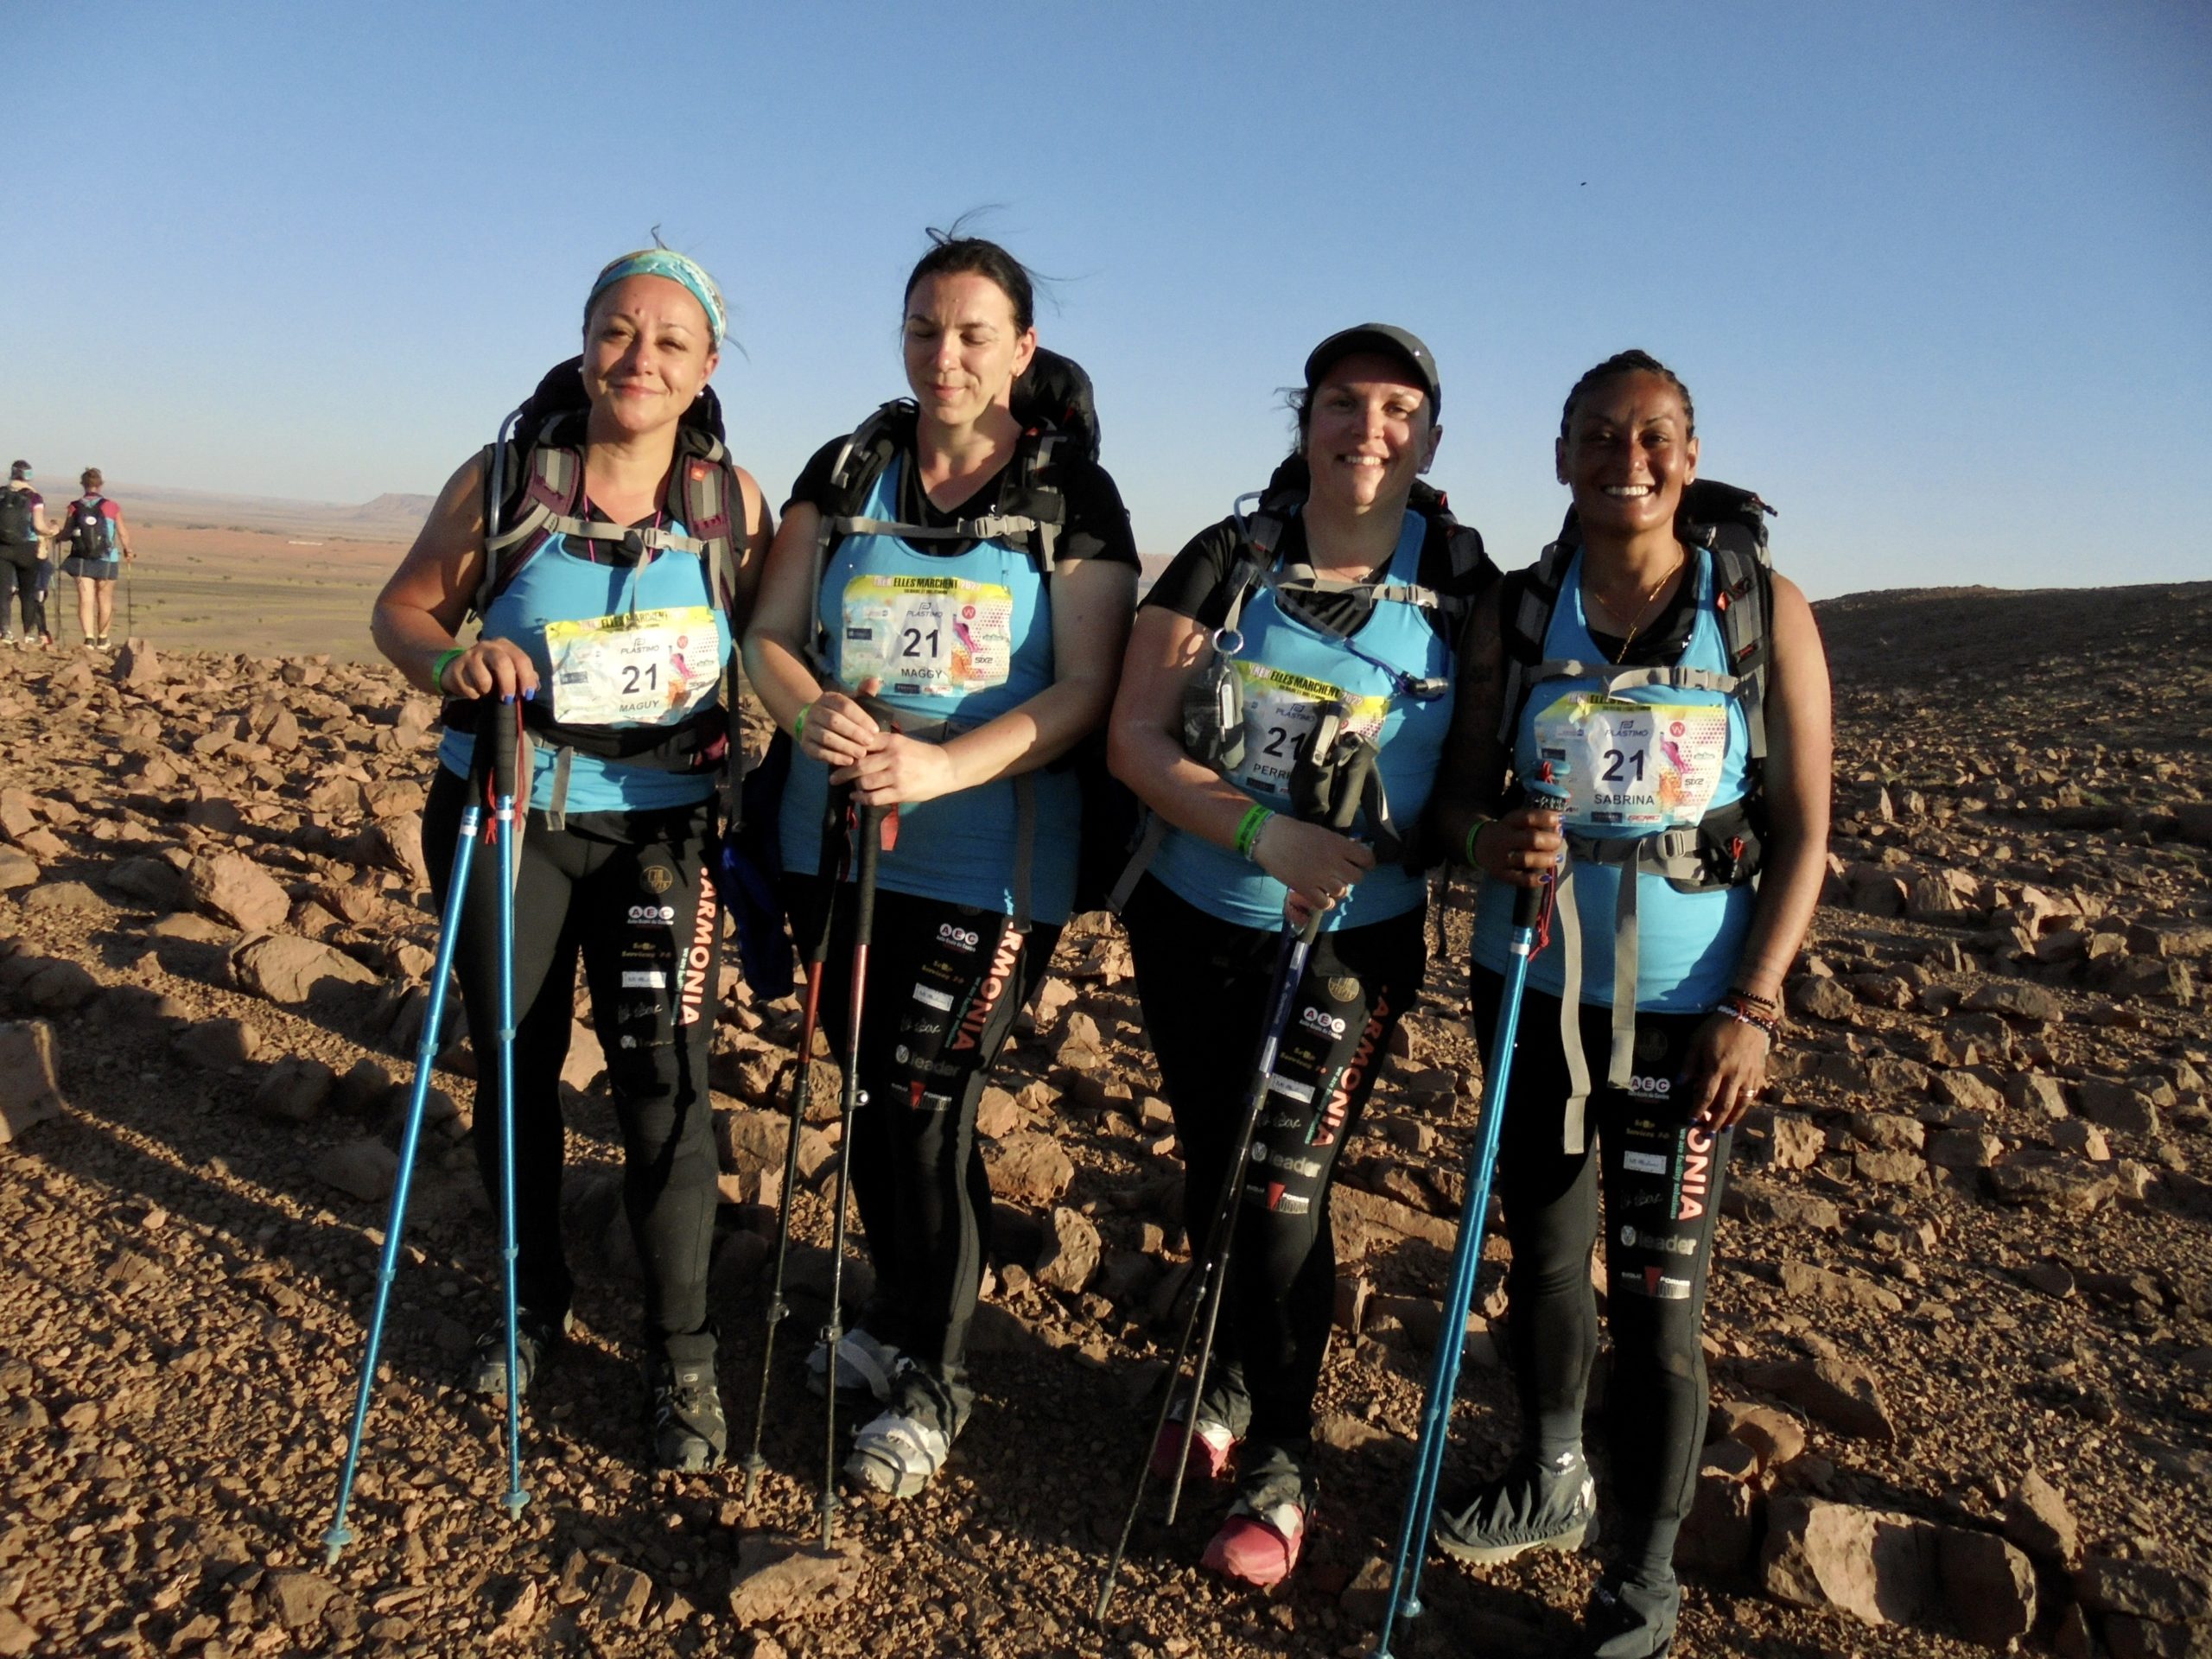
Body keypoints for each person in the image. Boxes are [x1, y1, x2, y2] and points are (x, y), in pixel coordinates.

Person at [1427, 350, 1832, 1658]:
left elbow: (1805, 831)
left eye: (1652, 436)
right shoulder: (1516, 608)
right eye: (1597, 436)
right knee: (1543, 1256)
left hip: (1689, 1009)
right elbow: (1450, 806)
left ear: (1690, 457)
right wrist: (1492, 846)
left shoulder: (1761, 609)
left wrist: (1756, 1008)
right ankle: (1552, 1474)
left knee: (1660, 1299)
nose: (1626, 459)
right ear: (1561, 459)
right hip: (1531, 985)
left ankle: (1640, 1578)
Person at [741, 231, 1138, 1499]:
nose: (945, 354)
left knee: (921, 1101)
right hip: (837, 843)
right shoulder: (849, 466)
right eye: (924, 329)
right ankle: (896, 1321)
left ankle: (935, 1376)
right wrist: (811, 719)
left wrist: (947, 768)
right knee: (882, 1101)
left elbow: (1087, 691)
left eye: (973, 333)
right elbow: (770, 633)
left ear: (1023, 349)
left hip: (990, 863)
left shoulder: (1076, 498)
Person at [370, 247, 770, 1471]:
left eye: (668, 341)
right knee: (517, 1065)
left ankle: (681, 1358)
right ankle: (526, 1306)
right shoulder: (507, 481)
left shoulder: (732, 507)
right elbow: (405, 610)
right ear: (587, 340)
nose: (638, 358)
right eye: (617, 331)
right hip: (510, 813)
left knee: (665, 1088)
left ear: (706, 368)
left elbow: (778, 649)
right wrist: (456, 666)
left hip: (662, 832)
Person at [1106, 325, 1494, 1588]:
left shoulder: (1473, 585)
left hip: (1350, 947)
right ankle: (1222, 1375)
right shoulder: (1233, 556)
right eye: (1342, 403)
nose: (1366, 429)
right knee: (1222, 1169)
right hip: (1192, 917)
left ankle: (1283, 1453)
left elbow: (1485, 770)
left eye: (1396, 410)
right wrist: (1268, 833)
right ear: (1306, 417)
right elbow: (1138, 738)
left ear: (1430, 436)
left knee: (1285, 1200)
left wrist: (1416, 847)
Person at [59, 467, 132, 647]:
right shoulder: (112, 506)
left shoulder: (75, 506)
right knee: (105, 599)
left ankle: (89, 638)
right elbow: (122, 532)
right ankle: (103, 639)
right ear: (100, 485)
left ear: (83, 484)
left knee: (86, 599)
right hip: (107, 559)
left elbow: (67, 532)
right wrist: (128, 550)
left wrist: (55, 536)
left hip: (81, 558)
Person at [0, 461, 56, 648]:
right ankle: (29, 634)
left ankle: (5, 632)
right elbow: (39, 526)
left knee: (3, 590)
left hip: (3, 547)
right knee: (28, 591)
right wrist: (52, 531)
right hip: (27, 548)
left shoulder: (1, 493)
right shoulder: (34, 497)